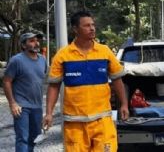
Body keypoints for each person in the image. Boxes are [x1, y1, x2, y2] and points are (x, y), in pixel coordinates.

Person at [42, 11, 129, 151]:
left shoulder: (105, 52)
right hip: (74, 124)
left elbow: (117, 80)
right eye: (87, 25)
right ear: (75, 29)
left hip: (102, 121)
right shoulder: (62, 56)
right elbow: (54, 86)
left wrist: (124, 104)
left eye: (93, 25)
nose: (92, 28)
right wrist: (49, 113)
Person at [3, 32, 46, 152]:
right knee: (22, 138)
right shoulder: (16, 60)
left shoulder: (43, 60)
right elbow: (6, 81)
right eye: (31, 41)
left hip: (37, 106)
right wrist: (12, 103)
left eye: (37, 40)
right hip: (21, 106)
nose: (36, 43)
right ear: (23, 45)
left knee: (34, 137)